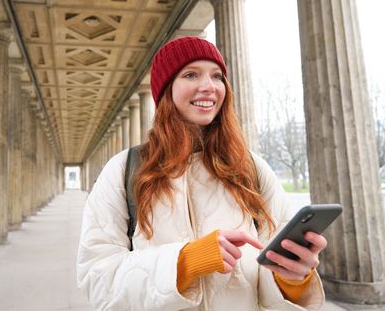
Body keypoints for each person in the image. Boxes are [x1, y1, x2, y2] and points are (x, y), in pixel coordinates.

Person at [77, 36, 327, 310]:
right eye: (191, 74)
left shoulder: (252, 168)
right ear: (166, 90)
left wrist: (292, 280)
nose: (209, 87)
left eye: (217, 76)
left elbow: (267, 274)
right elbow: (97, 280)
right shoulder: (124, 169)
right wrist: (186, 261)